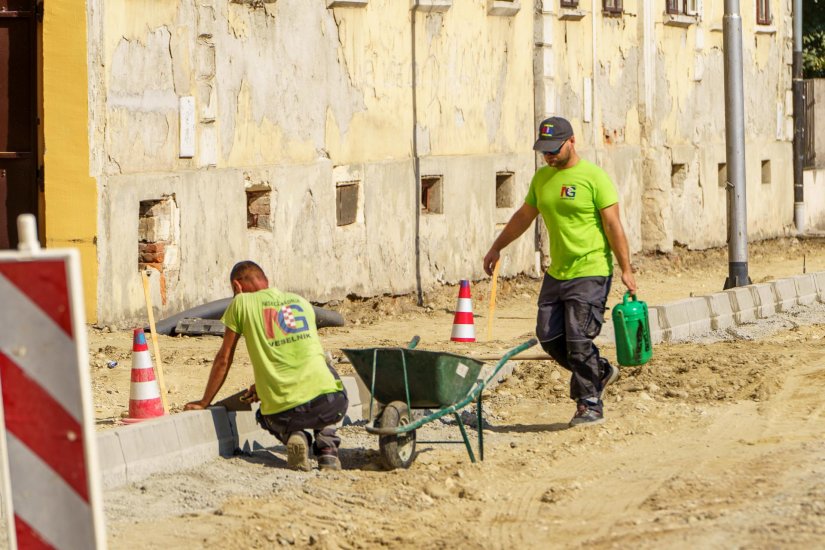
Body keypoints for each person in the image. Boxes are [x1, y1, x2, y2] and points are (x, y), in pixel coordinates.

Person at [483, 116, 637, 427]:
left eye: (555, 150)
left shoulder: (594, 178)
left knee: (579, 340)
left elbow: (613, 225)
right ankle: (600, 371)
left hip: (591, 270)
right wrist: (497, 246)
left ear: (572, 142)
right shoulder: (542, 179)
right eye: (545, 151)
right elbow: (524, 217)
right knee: (549, 336)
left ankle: (589, 402)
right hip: (558, 272)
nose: (550, 156)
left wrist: (626, 269)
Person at [185, 261, 348, 471]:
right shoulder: (300, 302)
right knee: (325, 369)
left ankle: (294, 436)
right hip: (328, 405)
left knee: (263, 415)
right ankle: (328, 450)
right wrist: (261, 385)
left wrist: (204, 401)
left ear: (237, 287)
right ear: (267, 281)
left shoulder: (241, 303)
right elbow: (298, 357)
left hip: (283, 414)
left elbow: (224, 358)